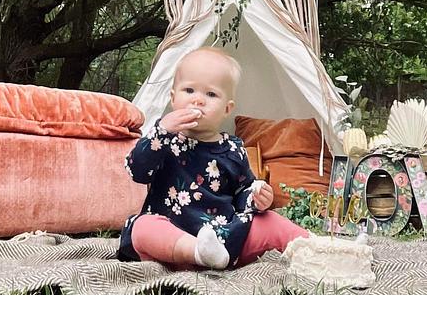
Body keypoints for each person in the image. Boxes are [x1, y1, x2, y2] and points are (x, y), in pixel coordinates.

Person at [117, 47, 310, 268]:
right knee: (143, 227)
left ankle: (317, 250)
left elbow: (241, 192)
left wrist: (256, 198)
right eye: (189, 90)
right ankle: (197, 253)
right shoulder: (163, 140)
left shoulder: (233, 149)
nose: (198, 100)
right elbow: (137, 171)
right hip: (170, 236)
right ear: (173, 98)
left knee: (270, 221)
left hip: (222, 237)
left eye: (211, 94)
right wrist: (161, 131)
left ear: (227, 109)